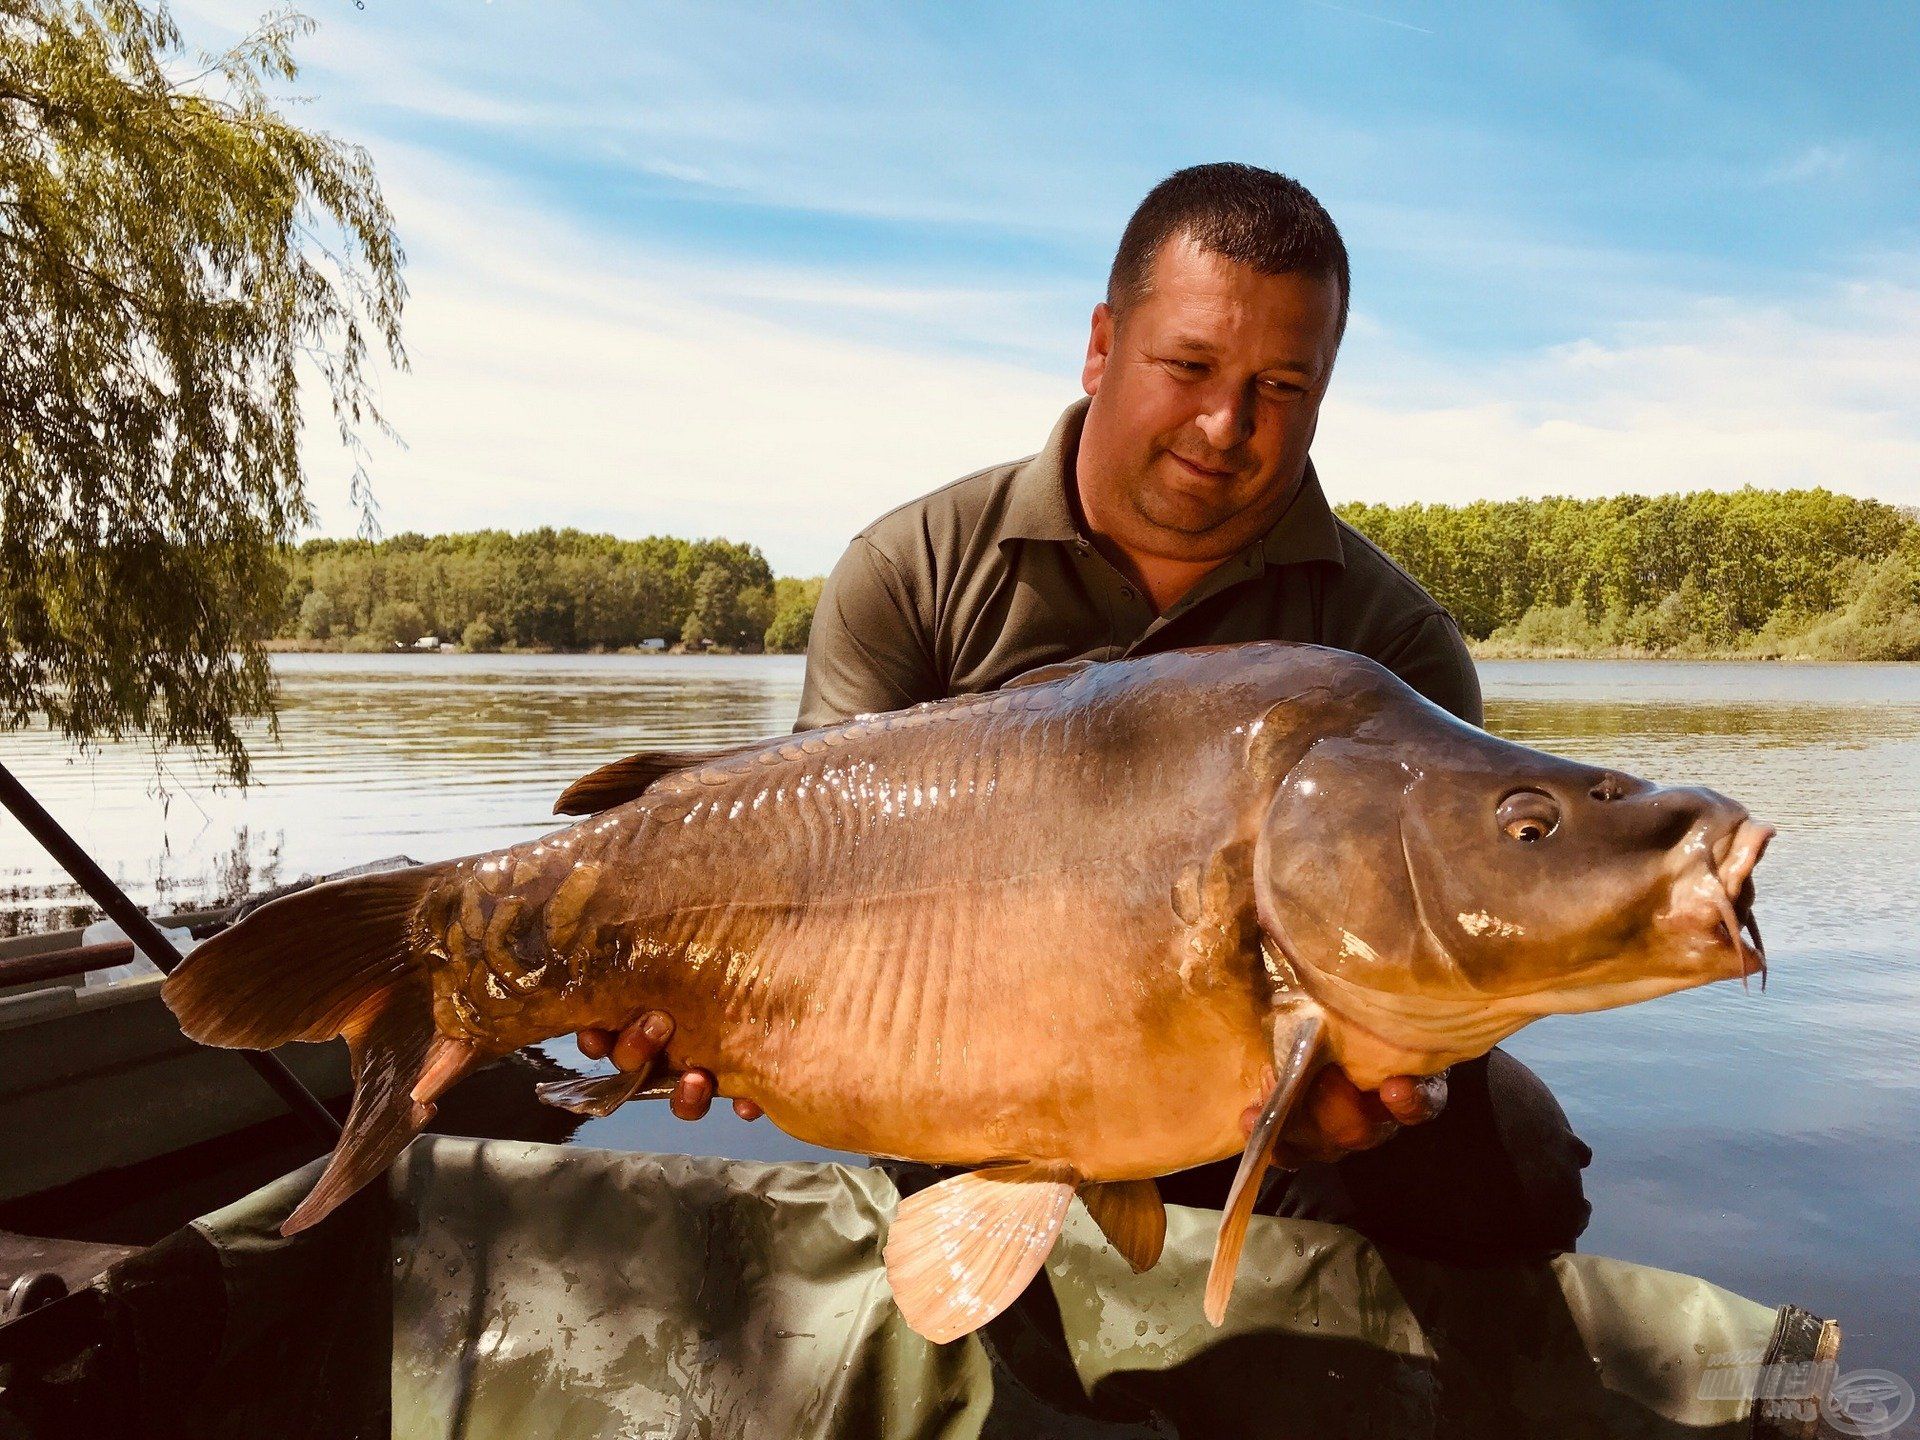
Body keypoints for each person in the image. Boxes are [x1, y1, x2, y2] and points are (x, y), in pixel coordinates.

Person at [579, 162, 1591, 1265]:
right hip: (955, 1062)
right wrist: (692, 1001)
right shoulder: (912, 569)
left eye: (1282, 387)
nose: (1226, 423)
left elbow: (1431, 967)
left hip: (1255, 1086)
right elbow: (802, 880)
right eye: (1190, 365)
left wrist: (1361, 1106)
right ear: (1103, 345)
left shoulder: (1391, 640)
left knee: (1517, 1165)